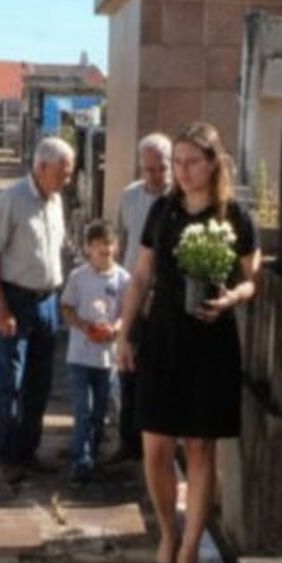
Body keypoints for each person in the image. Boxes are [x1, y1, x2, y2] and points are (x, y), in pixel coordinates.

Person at [114, 122, 261, 563]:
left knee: (200, 448)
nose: (183, 171)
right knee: (156, 448)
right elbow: (141, 276)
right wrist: (125, 334)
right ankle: (168, 532)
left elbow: (251, 279)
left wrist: (232, 299)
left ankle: (190, 551)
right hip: (163, 337)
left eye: (192, 161)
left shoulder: (234, 216)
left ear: (213, 163)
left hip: (211, 341)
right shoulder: (163, 211)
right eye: (177, 162)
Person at [0, 135, 74, 481]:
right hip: (16, 298)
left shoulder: (56, 201)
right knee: (11, 379)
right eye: (62, 174)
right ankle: (6, 455)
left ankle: (28, 449)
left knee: (40, 381)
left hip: (48, 300)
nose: (66, 181)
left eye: (69, 174)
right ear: (42, 167)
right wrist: (0, 305)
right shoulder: (12, 199)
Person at [111, 132, 173, 462]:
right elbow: (121, 240)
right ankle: (128, 441)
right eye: (149, 169)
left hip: (164, 297)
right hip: (133, 292)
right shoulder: (130, 196)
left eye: (161, 168)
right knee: (128, 366)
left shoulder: (178, 200)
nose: (155, 175)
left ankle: (158, 444)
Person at [60, 220, 130, 485]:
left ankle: (93, 451)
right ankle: (81, 461)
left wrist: (116, 328)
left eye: (109, 247)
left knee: (99, 411)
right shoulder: (79, 277)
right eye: (99, 248)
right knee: (83, 408)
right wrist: (83, 326)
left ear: (116, 247)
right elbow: (66, 307)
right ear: (88, 249)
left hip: (106, 359)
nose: (105, 252)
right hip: (80, 355)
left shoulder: (123, 279)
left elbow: (127, 312)